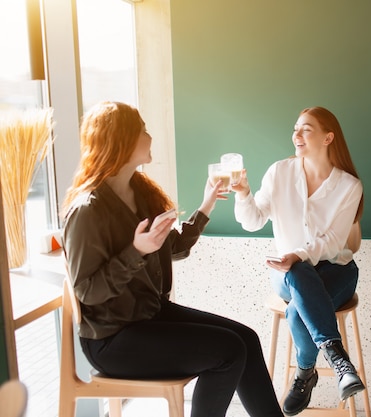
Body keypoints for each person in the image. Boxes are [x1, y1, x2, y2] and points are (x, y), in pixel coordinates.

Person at [62, 101, 284, 417]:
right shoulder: (88, 210)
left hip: (147, 317)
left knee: (245, 338)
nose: (150, 138)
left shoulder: (139, 192)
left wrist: (206, 207)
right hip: (112, 340)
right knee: (229, 351)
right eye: (143, 131)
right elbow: (88, 291)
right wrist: (136, 251)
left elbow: (173, 247)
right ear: (122, 141)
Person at [232, 106, 365, 416]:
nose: (296, 134)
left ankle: (305, 372)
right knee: (297, 271)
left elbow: (333, 242)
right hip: (287, 272)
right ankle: (337, 358)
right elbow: (253, 220)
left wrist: (300, 255)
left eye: (306, 129)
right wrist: (243, 193)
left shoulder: (349, 186)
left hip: (337, 271)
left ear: (328, 137)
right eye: (295, 128)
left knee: (297, 310)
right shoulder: (280, 172)